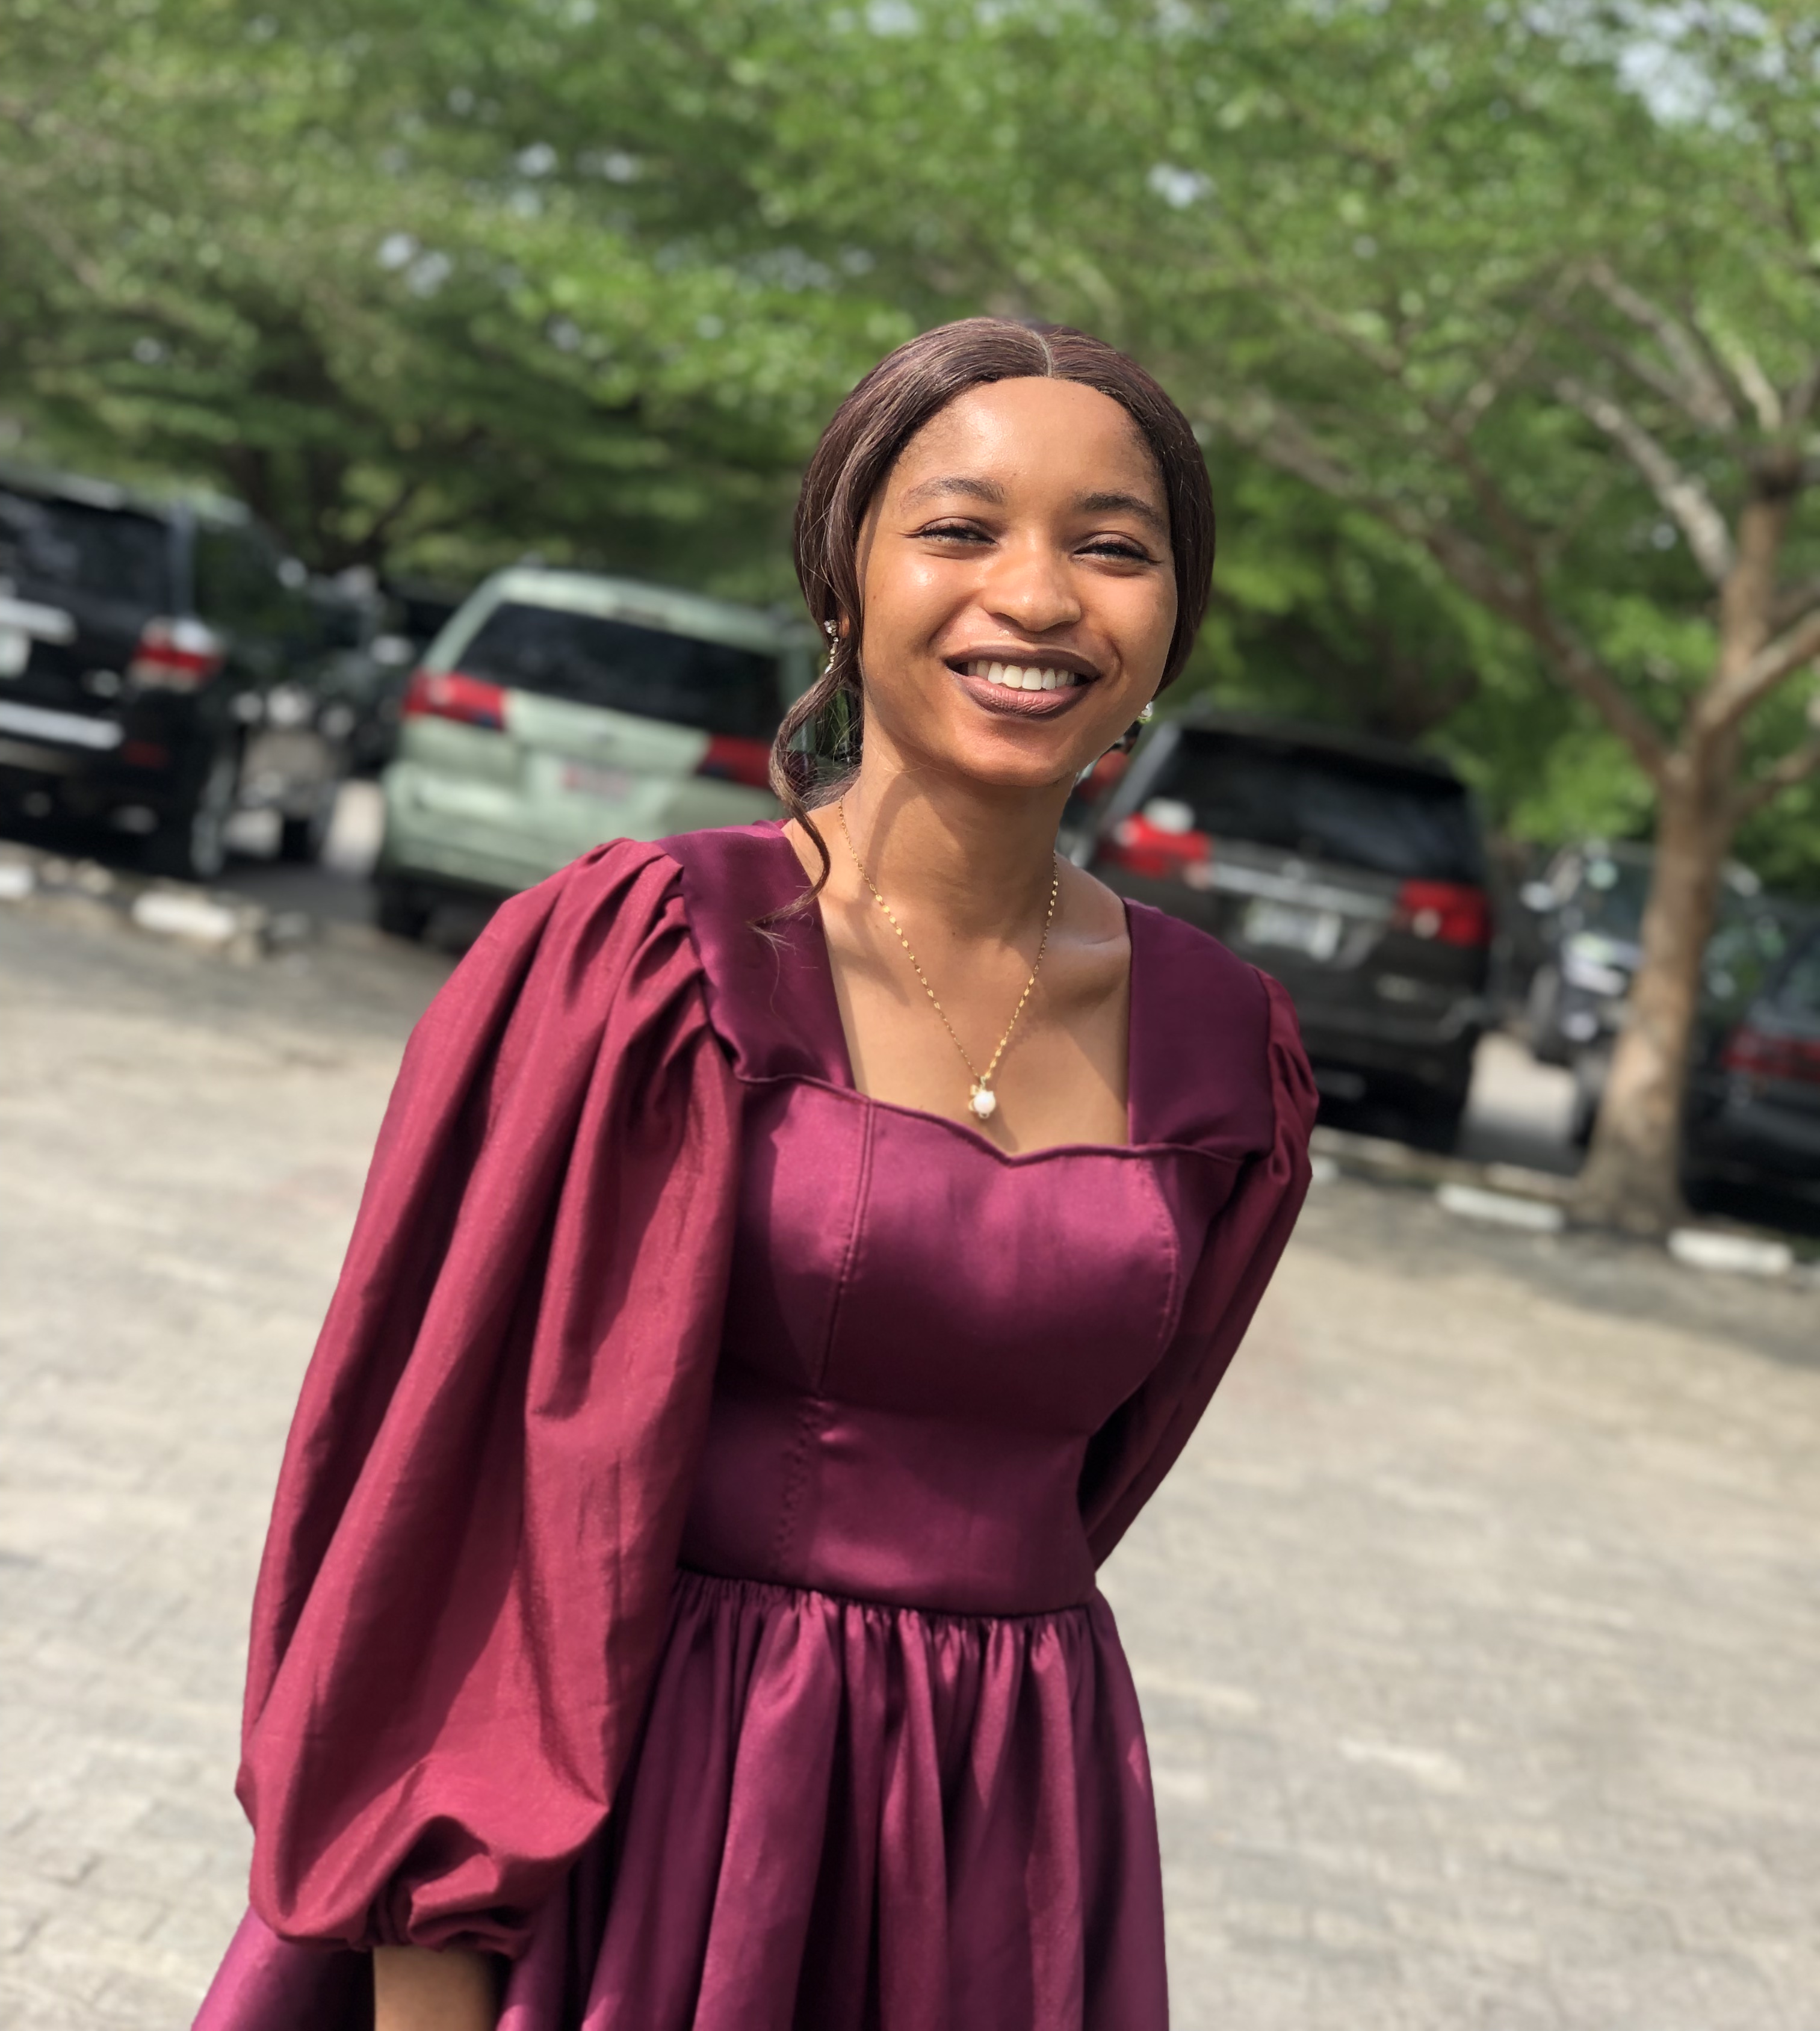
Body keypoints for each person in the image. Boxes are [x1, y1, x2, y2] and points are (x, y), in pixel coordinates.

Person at [194, 317, 1315, 2031]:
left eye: (1113, 547)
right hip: (637, 1807)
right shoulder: (644, 959)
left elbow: (1106, 1474)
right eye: (960, 529)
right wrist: (435, 1965)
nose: (1037, 597)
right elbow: (452, 1500)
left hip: (1004, 1818)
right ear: (842, 587)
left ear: (1172, 622)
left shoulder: (1228, 1049)